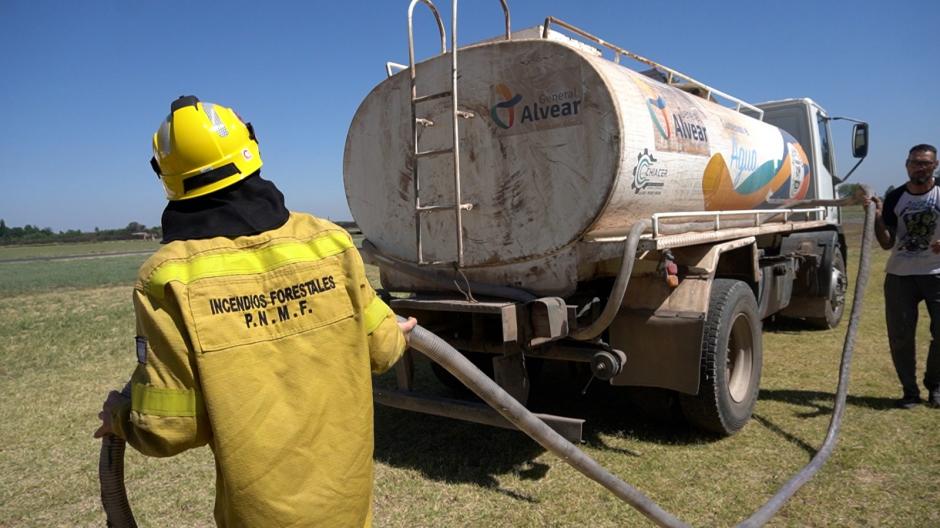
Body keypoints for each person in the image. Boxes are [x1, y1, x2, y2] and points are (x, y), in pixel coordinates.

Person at [94, 95, 417, 526]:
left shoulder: (168, 277)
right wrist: (398, 330)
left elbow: (170, 429)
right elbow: (382, 349)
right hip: (347, 510)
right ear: (252, 144)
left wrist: (120, 415)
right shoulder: (327, 241)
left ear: (163, 174)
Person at [869, 143, 940, 409]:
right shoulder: (896, 197)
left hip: (937, 274)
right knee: (901, 337)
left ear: (935, 165)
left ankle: (935, 386)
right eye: (914, 162)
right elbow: (887, 243)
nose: (919, 167)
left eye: (925, 163)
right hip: (901, 276)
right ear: (907, 165)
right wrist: (877, 217)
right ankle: (910, 392)